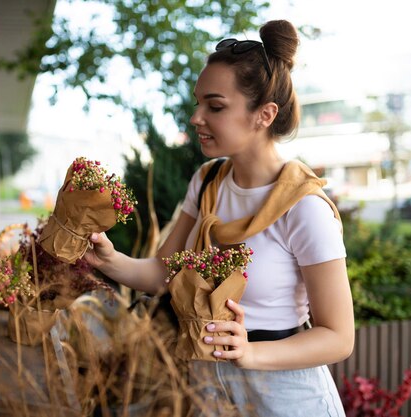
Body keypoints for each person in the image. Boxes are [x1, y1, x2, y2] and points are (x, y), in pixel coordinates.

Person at [84, 19, 354, 417]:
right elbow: (164, 274)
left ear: (265, 114)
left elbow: (338, 338)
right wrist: (107, 259)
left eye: (215, 106)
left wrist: (249, 352)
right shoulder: (208, 181)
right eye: (198, 103)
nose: (196, 117)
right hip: (209, 391)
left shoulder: (305, 207)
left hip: (286, 398)